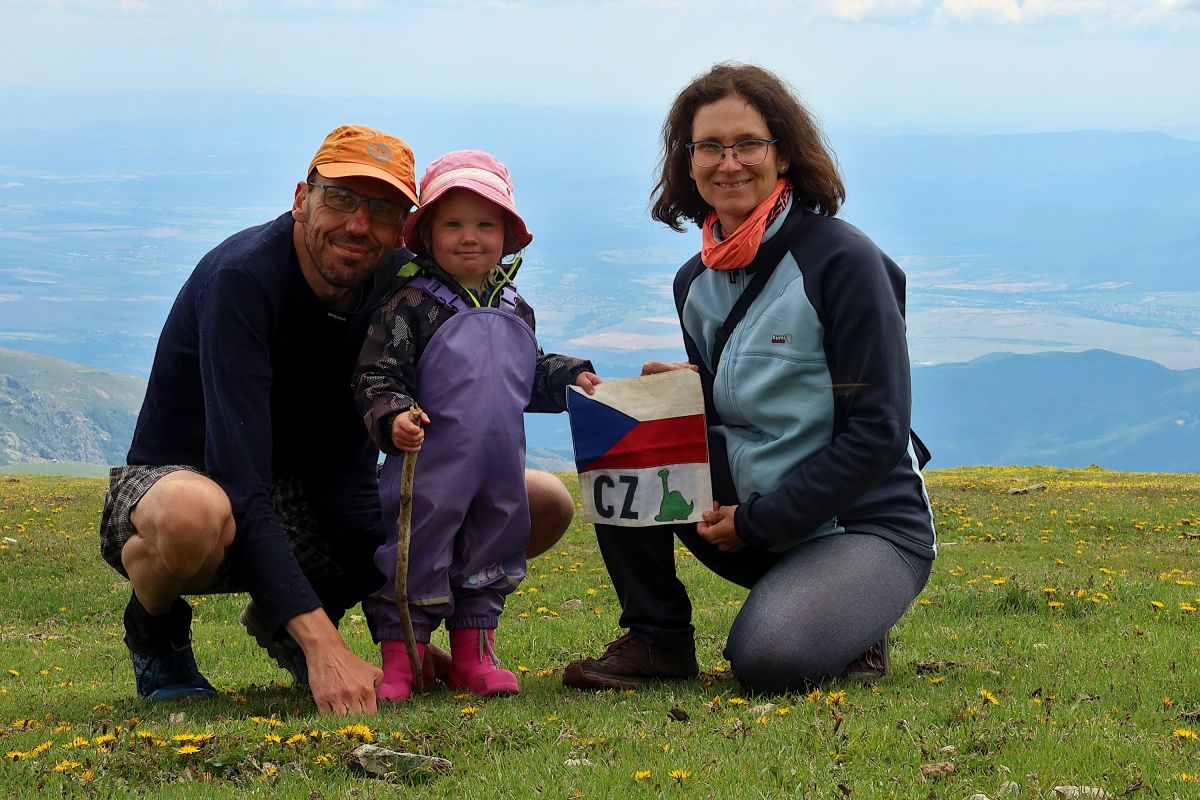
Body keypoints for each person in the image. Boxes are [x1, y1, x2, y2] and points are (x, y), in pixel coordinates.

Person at [99, 126, 578, 716]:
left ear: (405, 225)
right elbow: (240, 477)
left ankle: (295, 621)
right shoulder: (243, 279)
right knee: (193, 515)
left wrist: (403, 635)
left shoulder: (400, 283)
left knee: (541, 499)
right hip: (194, 480)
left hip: (311, 491)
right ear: (302, 199)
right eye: (341, 199)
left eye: (381, 209)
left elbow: (365, 467)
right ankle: (157, 630)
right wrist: (325, 646)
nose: (358, 225)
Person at [562, 63, 936, 694]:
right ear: (688, 162)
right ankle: (658, 638)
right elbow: (746, 407)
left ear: (782, 152)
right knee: (624, 433)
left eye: (748, 144)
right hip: (753, 513)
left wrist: (759, 523)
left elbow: (878, 431)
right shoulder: (695, 282)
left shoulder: (844, 262)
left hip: (859, 524)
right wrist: (679, 397)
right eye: (709, 146)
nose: (727, 162)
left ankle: (854, 617)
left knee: (768, 662)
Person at [354, 150, 599, 701]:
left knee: (492, 548)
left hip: (499, 469)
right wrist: (394, 416)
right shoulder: (410, 304)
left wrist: (572, 376)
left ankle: (474, 657)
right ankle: (403, 662)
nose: (470, 237)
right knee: (413, 551)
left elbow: (528, 372)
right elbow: (376, 373)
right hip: (427, 469)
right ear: (428, 234)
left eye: (486, 223)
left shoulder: (516, 307)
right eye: (454, 224)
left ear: (508, 234)